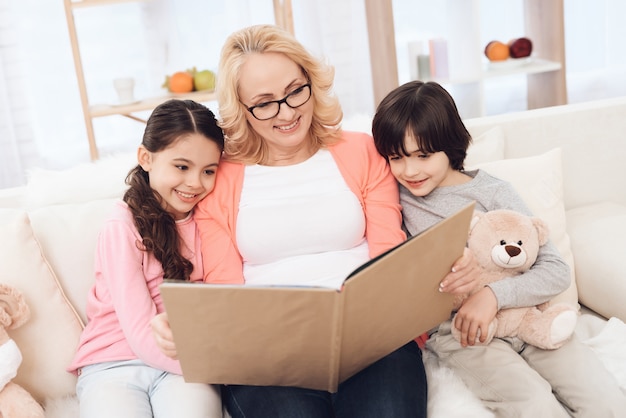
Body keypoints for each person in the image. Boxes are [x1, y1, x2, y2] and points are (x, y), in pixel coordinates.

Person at [151, 25, 478, 418]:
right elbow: (224, 288)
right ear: (242, 108)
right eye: (265, 103)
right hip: (266, 353)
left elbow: (391, 257)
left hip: (371, 338)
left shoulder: (363, 152)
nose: (287, 112)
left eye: (295, 91)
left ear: (311, 81)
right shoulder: (220, 177)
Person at [371, 80, 626, 418]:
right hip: (463, 332)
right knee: (536, 406)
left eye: (423, 155)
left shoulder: (493, 192)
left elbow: (554, 270)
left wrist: (492, 295)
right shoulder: (393, 199)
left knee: (607, 403)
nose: (409, 170)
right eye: (396, 158)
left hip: (529, 318)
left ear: (449, 145)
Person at [67, 99, 225, 418]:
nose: (195, 182)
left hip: (179, 367)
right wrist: (214, 367)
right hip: (112, 364)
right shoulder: (121, 226)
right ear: (146, 158)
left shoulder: (208, 219)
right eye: (182, 166)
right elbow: (140, 331)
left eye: (208, 170)